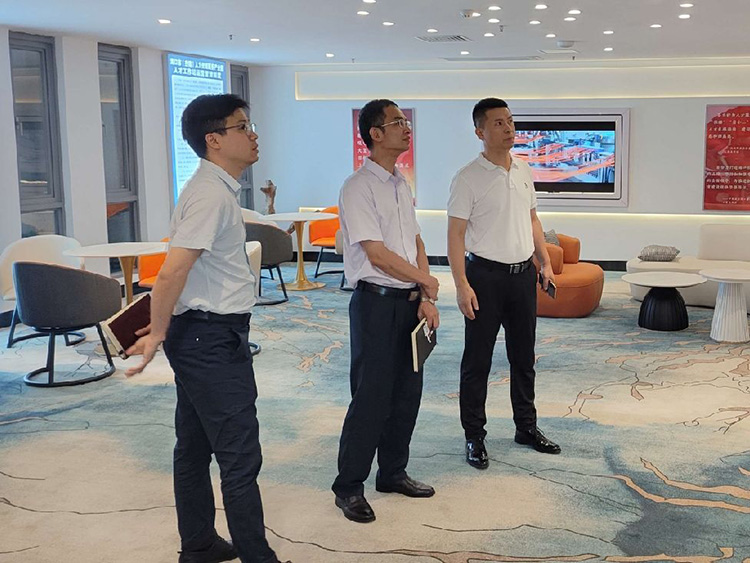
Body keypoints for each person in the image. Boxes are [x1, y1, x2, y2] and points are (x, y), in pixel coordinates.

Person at [125, 94, 289, 563]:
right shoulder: (210, 196)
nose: (253, 135)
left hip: (205, 333)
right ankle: (257, 556)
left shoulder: (213, 189)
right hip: (208, 338)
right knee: (239, 453)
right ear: (213, 140)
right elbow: (173, 271)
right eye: (242, 127)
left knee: (195, 446)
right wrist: (156, 333)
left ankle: (198, 544)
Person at [332, 99, 440, 523]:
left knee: (406, 395)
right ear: (375, 134)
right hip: (375, 304)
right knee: (371, 397)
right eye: (397, 122)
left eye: (405, 121)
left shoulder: (400, 184)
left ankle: (393, 472)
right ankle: (348, 487)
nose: (406, 127)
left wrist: (425, 292)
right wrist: (426, 280)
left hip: (409, 304)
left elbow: (416, 242)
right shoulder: (357, 187)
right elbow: (375, 254)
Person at [447, 97, 562, 471]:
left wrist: (544, 263)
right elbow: (455, 235)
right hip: (484, 278)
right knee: (477, 361)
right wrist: (461, 285)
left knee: (523, 357)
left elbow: (532, 220)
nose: (508, 128)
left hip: (522, 277)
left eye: (510, 121)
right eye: (498, 123)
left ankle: (526, 428)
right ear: (479, 131)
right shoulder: (468, 177)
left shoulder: (524, 169)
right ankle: (474, 436)